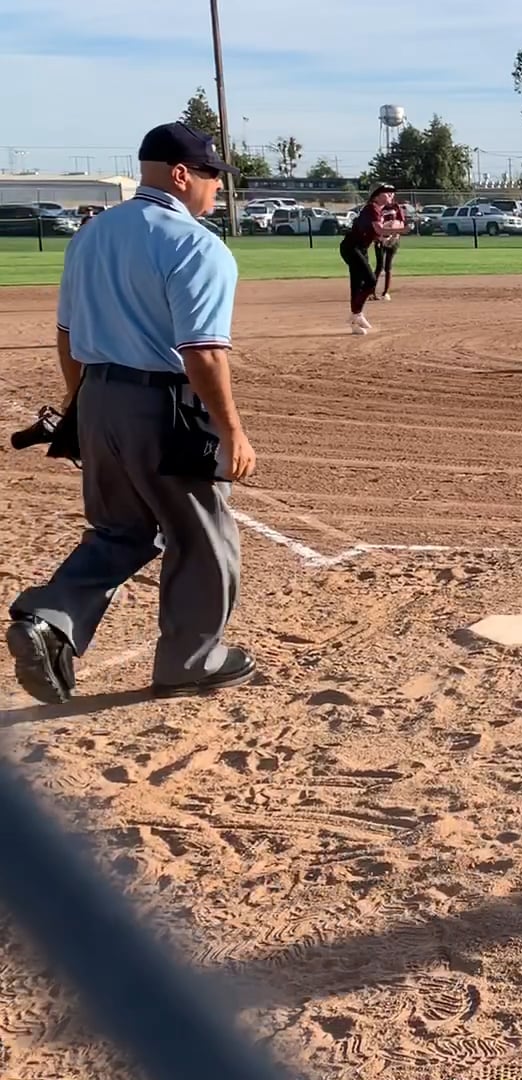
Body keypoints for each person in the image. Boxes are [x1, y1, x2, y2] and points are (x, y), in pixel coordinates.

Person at [8, 122, 259, 704]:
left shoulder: (92, 235)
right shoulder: (197, 245)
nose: (217, 187)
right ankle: (191, 663)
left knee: (120, 530)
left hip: (98, 396)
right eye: (211, 175)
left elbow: (67, 334)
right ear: (181, 174)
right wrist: (232, 431)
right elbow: (203, 353)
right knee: (202, 536)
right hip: (163, 407)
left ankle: (49, 618)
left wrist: (78, 404)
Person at [341, 184, 405, 334]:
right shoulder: (371, 209)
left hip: (360, 248)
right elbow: (379, 229)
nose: (391, 195)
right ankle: (356, 314)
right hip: (351, 247)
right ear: (377, 196)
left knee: (357, 284)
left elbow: (374, 233)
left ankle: (355, 319)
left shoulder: (378, 211)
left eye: (392, 193)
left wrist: (385, 239)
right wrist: (401, 230)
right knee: (370, 281)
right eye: (387, 193)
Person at [373, 197, 406, 301]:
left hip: (393, 239)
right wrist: (378, 238)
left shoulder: (396, 207)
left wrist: (395, 234)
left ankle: (385, 292)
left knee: (388, 266)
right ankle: (371, 292)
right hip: (380, 239)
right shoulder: (377, 208)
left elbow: (401, 222)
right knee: (379, 266)